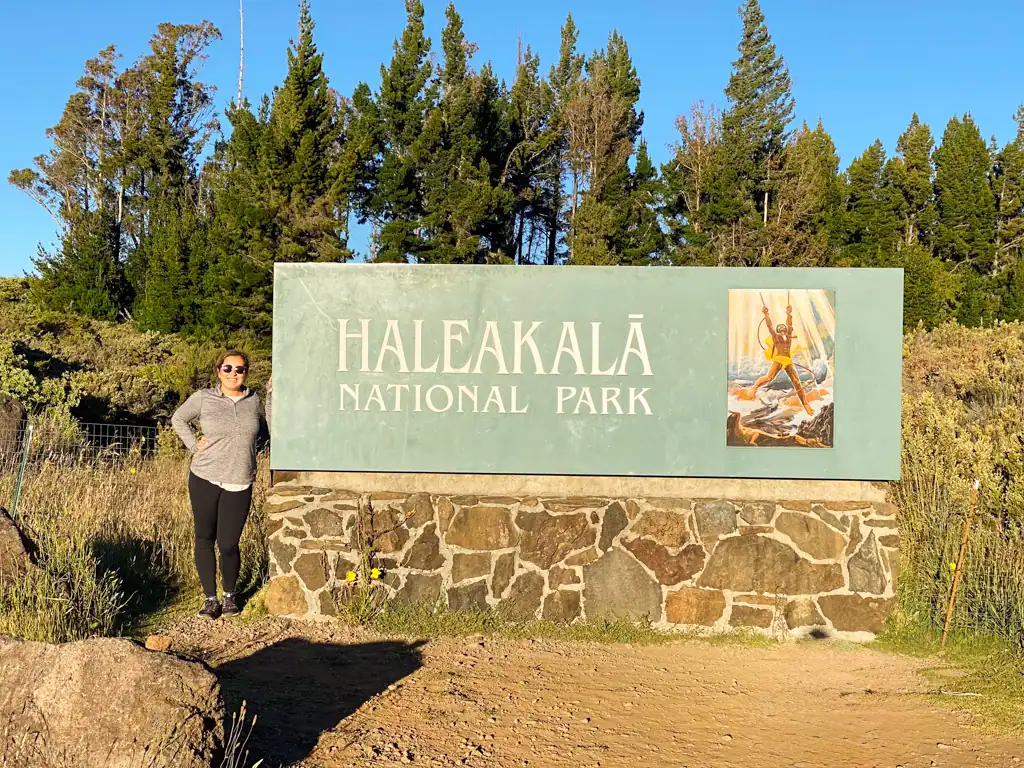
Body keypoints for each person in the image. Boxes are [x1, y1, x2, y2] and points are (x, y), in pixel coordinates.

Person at [171, 350, 271, 619]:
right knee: (205, 538)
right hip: (204, 476)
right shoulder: (203, 398)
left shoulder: (254, 400)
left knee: (228, 543)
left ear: (246, 372)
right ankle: (210, 599)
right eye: (227, 368)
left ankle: (229, 596)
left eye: (240, 369)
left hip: (240, 480)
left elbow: (272, 425)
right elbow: (178, 419)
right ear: (218, 371)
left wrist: (273, 397)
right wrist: (193, 444)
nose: (233, 374)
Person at [749, 303, 814, 416]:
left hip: (787, 361)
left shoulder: (788, 336)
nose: (784, 333)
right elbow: (770, 327)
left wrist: (789, 313)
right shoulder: (776, 337)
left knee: (797, 382)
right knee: (769, 378)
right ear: (779, 332)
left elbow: (789, 324)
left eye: (784, 331)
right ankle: (755, 386)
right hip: (778, 360)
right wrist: (766, 314)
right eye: (781, 331)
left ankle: (805, 404)